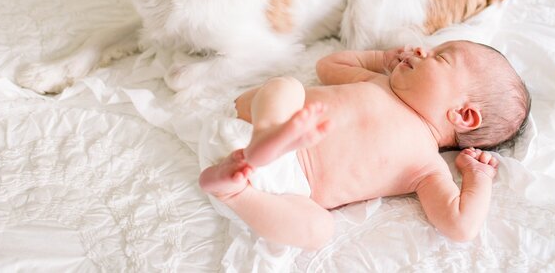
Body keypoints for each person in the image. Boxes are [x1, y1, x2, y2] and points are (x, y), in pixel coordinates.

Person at [198, 40, 531, 250]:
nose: (421, 49)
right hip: (253, 124)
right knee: (287, 88)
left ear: (463, 114)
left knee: (319, 230)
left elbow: (461, 226)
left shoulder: (427, 168)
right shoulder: (379, 83)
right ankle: (269, 138)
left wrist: (478, 178)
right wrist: (381, 58)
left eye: (440, 58)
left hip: (274, 189)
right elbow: (327, 67)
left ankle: (231, 192)